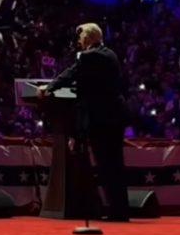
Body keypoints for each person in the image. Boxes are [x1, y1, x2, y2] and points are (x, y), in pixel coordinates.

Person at [42, 22, 130, 221]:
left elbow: (72, 72)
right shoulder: (109, 53)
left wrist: (50, 87)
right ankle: (120, 209)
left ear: (89, 38)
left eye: (81, 38)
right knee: (115, 164)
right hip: (114, 116)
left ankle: (117, 211)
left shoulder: (90, 56)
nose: (78, 42)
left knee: (107, 164)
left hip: (103, 118)